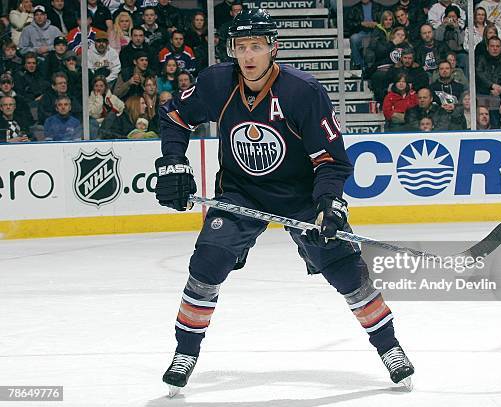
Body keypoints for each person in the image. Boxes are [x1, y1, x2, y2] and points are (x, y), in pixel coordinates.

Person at [155, 9, 415, 396]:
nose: (248, 56)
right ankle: (185, 352)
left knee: (344, 268)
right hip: (240, 193)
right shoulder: (215, 83)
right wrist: (173, 164)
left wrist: (329, 203)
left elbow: (330, 159)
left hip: (301, 195)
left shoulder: (302, 91)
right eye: (241, 47)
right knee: (207, 262)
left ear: (273, 48)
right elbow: (174, 116)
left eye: (256, 46)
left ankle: (390, 347)